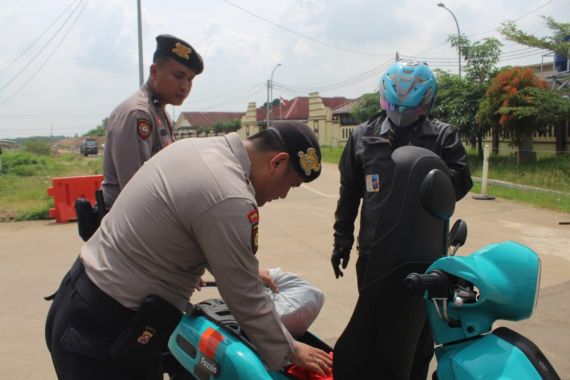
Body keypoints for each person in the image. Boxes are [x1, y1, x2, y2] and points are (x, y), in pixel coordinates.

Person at [45, 121, 332, 380]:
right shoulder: (230, 194)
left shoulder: (198, 149)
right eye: (290, 185)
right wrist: (290, 350)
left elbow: (180, 222)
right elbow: (244, 296)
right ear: (277, 162)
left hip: (81, 300)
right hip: (104, 335)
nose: (282, 195)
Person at [331, 60, 473, 285]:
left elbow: (460, 185)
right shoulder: (363, 137)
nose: (401, 117)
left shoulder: (443, 136)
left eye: (410, 110)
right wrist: (342, 241)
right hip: (374, 250)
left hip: (424, 252)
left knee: (422, 319)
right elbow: (349, 192)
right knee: (373, 318)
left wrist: (429, 176)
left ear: (426, 103)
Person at [102, 34, 204, 209]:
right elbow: (134, 189)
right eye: (178, 76)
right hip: (130, 224)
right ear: (154, 72)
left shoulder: (159, 112)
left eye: (189, 80)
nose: (184, 86)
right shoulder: (139, 113)